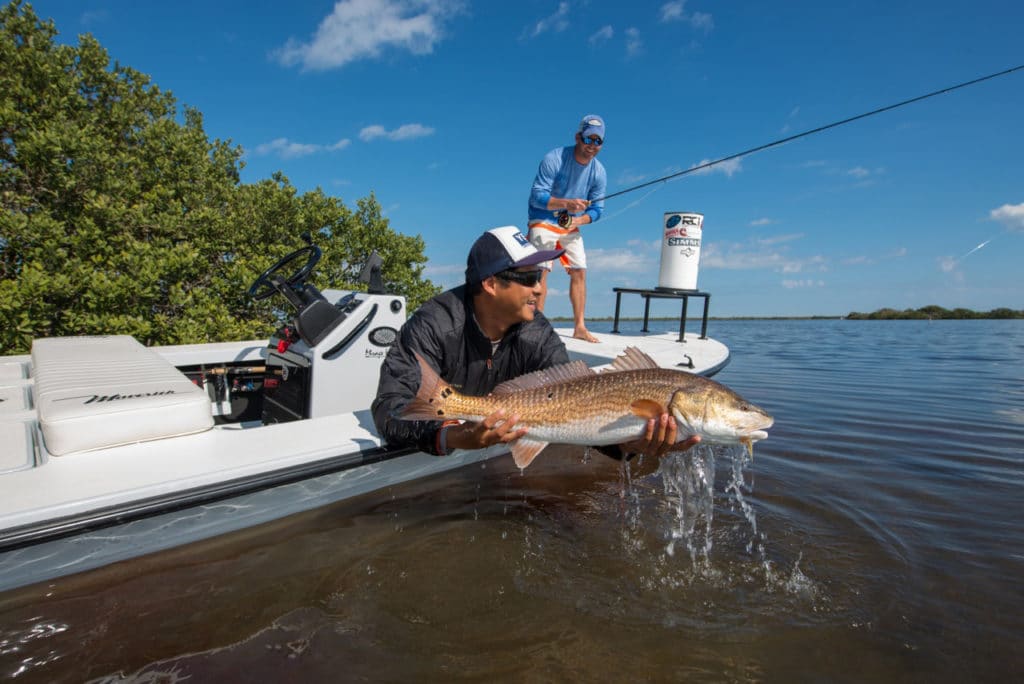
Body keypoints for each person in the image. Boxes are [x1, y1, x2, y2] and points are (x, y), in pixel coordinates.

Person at [371, 225, 699, 461]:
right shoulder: (434, 324)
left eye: (540, 276)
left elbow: (582, 404)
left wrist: (628, 445)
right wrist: (457, 436)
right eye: (529, 278)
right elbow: (390, 409)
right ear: (490, 283)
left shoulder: (537, 334)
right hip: (451, 435)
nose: (540, 289)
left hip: (506, 429)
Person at [527, 114, 608, 343]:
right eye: (588, 139)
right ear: (578, 137)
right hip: (543, 217)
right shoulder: (554, 158)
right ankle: (535, 325)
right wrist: (567, 204)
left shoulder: (599, 172)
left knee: (580, 269)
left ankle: (580, 327)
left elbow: (597, 210)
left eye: (597, 141)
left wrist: (578, 220)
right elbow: (536, 197)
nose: (592, 146)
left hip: (568, 222)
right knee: (542, 268)